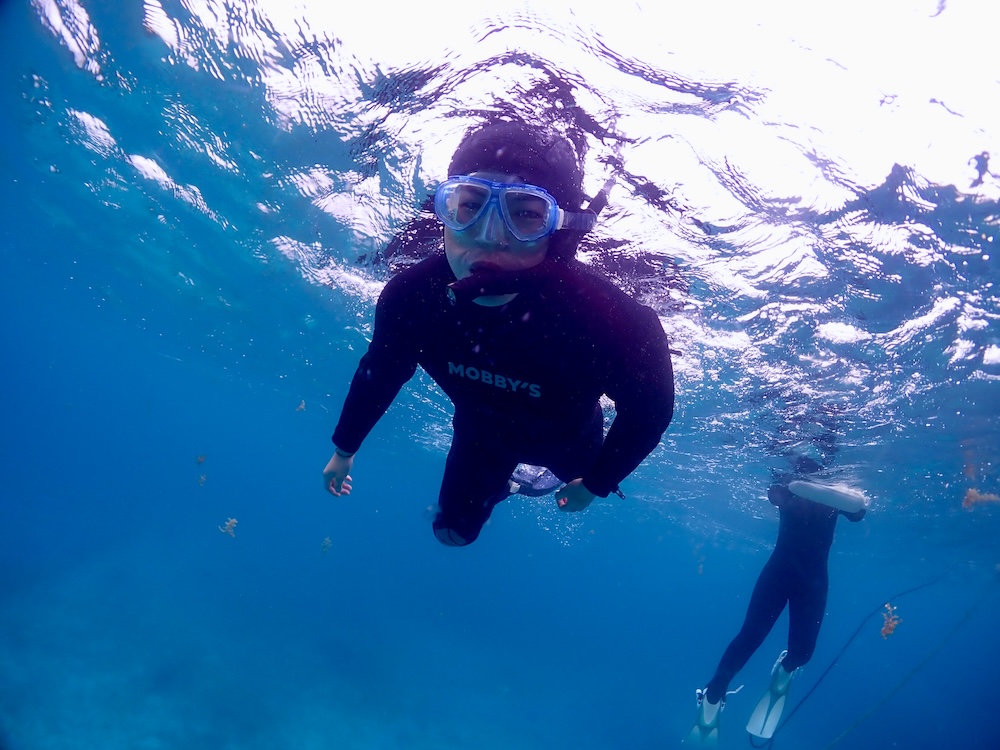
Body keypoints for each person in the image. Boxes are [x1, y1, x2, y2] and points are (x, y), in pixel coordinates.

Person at [322, 119, 675, 546]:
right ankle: (506, 485)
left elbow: (649, 413)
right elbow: (381, 370)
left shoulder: (614, 321)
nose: (489, 237)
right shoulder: (413, 297)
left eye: (525, 214)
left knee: (568, 482)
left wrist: (596, 483)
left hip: (572, 443)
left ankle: (531, 483)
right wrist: (345, 449)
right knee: (452, 535)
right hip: (481, 439)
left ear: (560, 231)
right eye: (469, 206)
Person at [686, 472, 868, 745]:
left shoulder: (834, 487)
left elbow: (856, 513)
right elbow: (776, 495)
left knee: (803, 654)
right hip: (778, 573)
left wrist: (856, 506)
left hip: (813, 580)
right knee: (749, 638)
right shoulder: (791, 480)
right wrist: (787, 492)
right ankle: (711, 698)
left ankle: (784, 671)